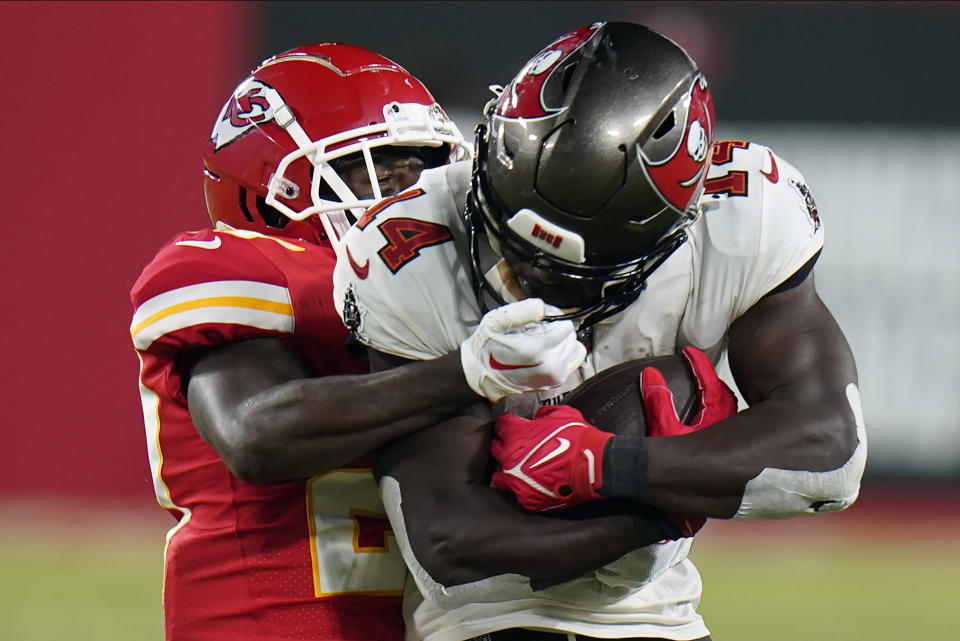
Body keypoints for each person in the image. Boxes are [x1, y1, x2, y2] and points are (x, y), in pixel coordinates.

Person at [332, 21, 867, 641]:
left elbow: (830, 454)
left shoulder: (740, 218)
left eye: (561, 271)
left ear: (668, 235)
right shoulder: (410, 244)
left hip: (659, 617)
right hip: (486, 621)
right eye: (504, 231)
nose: (520, 273)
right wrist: (653, 507)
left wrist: (610, 466)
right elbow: (446, 541)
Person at [129, 43, 591, 641]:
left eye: (424, 169)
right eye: (378, 170)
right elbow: (255, 436)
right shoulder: (254, 269)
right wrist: (467, 373)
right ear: (275, 189)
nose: (411, 195)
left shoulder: (453, 288)